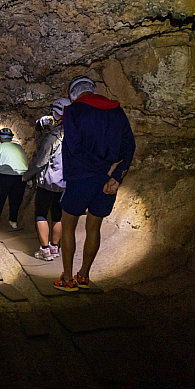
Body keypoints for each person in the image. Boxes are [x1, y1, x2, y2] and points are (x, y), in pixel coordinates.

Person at [54, 76, 136, 291]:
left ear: (73, 94)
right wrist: (116, 175)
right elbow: (129, 146)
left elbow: (75, 147)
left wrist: (102, 169)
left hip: (81, 178)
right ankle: (84, 276)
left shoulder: (73, 111)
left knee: (68, 227)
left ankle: (67, 278)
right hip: (108, 182)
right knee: (94, 228)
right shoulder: (117, 111)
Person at [24, 98, 71, 261]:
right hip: (64, 183)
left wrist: (27, 174)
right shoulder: (76, 133)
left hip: (48, 182)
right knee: (57, 215)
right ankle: (55, 247)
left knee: (41, 214)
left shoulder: (54, 135)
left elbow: (41, 161)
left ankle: (45, 250)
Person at [0, 128, 28, 229]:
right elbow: (25, 163)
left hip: (5, 176)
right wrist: (28, 178)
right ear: (11, 137)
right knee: (16, 200)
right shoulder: (19, 147)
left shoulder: (0, 147)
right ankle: (13, 221)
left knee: (0, 197)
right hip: (19, 177)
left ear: (0, 138)